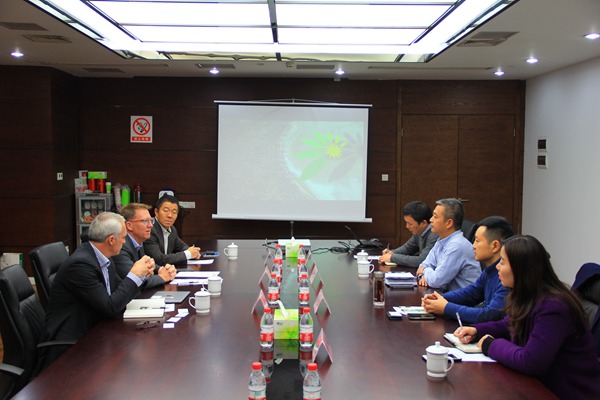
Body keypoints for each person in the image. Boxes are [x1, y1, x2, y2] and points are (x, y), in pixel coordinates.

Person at [455, 235, 600, 399]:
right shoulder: (531, 295)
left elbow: (531, 361)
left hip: (566, 393)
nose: (498, 267)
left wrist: (492, 345)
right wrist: (477, 330)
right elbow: (509, 323)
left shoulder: (554, 306)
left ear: (520, 269)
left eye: (502, 262)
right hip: (540, 385)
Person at [43, 212, 155, 364]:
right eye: (123, 238)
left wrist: (142, 275)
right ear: (111, 240)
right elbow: (110, 307)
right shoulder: (81, 265)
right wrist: (134, 275)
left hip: (96, 330)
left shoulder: (103, 258)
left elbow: (119, 291)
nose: (124, 242)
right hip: (73, 346)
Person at [421, 216, 513, 323]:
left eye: (477, 241)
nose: (473, 246)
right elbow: (471, 293)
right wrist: (439, 298)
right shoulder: (490, 270)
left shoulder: (506, 276)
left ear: (495, 246)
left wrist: (446, 307)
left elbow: (490, 315)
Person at [415, 198, 480, 291]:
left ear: (449, 223)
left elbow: (436, 281)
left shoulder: (457, 246)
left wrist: (424, 271)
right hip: (447, 295)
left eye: (435, 217)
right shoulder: (442, 240)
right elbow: (423, 264)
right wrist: (423, 274)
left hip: (465, 299)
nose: (431, 220)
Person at [113, 203, 177, 288]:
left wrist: (162, 269)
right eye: (145, 221)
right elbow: (136, 280)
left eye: (151, 220)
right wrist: (162, 277)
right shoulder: (121, 246)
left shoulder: (139, 241)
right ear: (129, 225)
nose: (150, 225)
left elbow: (147, 265)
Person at [143, 194, 201, 265]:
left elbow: (182, 246)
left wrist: (193, 252)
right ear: (156, 212)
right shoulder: (150, 229)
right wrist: (188, 254)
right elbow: (159, 259)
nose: (170, 215)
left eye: (174, 212)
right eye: (166, 210)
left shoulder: (172, 229)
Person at [378, 201, 438, 267]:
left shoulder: (434, 235)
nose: (407, 226)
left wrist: (392, 257)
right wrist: (391, 252)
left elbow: (421, 260)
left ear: (423, 223)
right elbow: (407, 248)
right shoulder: (418, 232)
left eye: (410, 224)